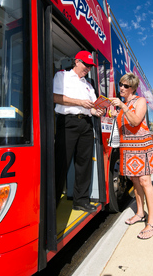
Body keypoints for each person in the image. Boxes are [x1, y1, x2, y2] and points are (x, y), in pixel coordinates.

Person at [53, 51, 105, 212]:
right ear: (76, 61)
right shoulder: (62, 76)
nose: (88, 68)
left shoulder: (88, 85)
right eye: (86, 64)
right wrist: (80, 102)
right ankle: (52, 203)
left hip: (87, 124)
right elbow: (55, 97)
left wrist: (98, 112)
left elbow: (93, 108)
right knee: (61, 163)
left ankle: (80, 201)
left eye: (90, 66)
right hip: (68, 123)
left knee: (84, 164)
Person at [110, 73, 153, 240]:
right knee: (135, 181)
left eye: (125, 86)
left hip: (142, 146)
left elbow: (136, 121)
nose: (121, 88)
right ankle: (140, 213)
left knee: (145, 181)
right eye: (120, 85)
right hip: (127, 148)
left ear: (133, 88)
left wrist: (123, 108)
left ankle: (152, 222)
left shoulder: (140, 101)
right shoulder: (122, 104)